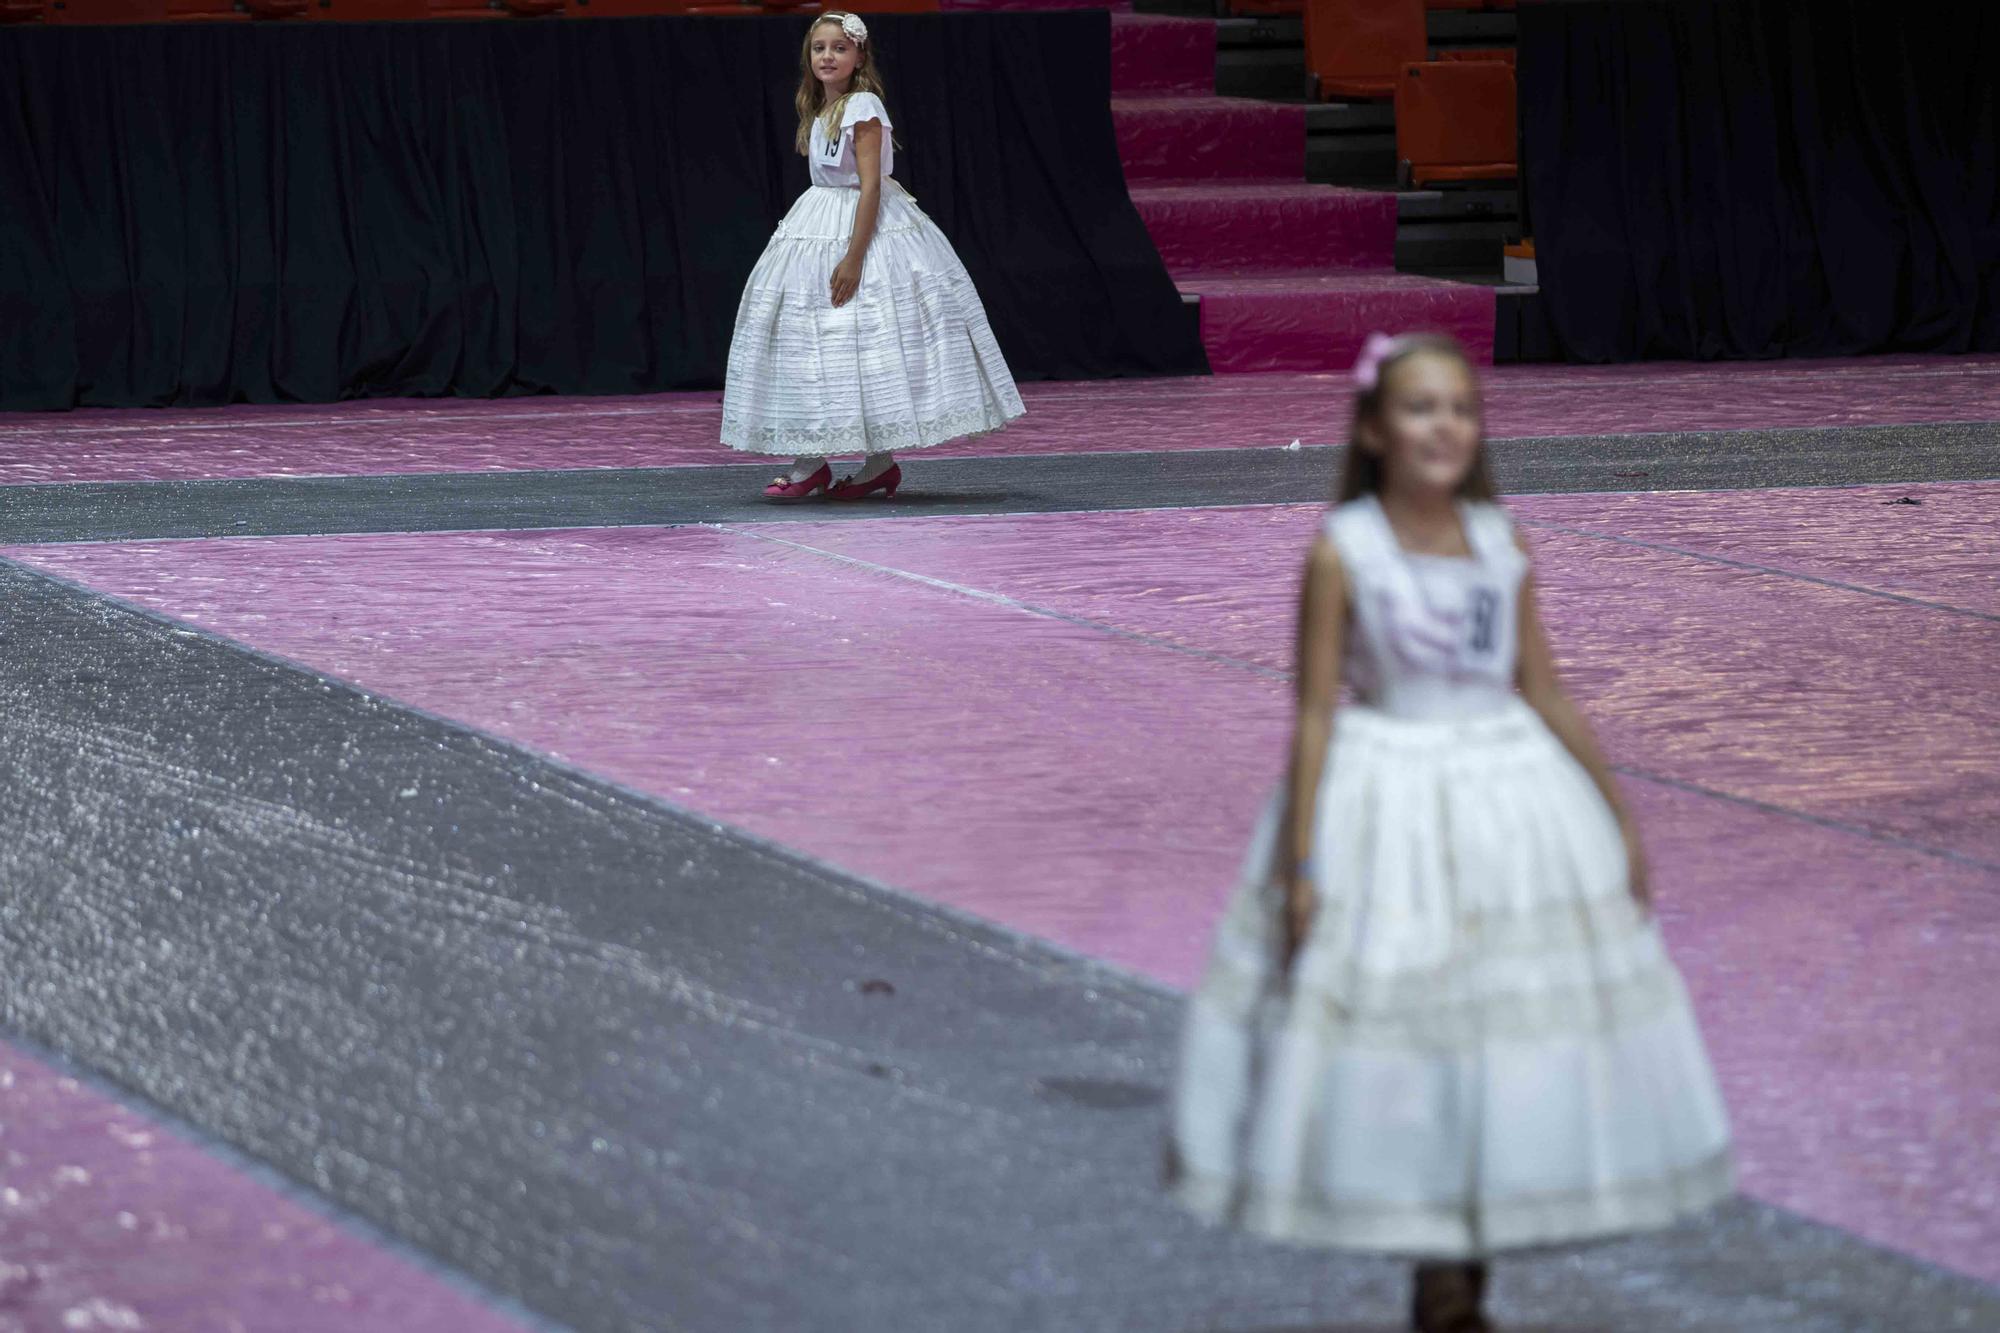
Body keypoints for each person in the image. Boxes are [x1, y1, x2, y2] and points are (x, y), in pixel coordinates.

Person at [1167, 333, 1734, 1333]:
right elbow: (1312, 713)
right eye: (1420, 408)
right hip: (1388, 797)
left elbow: (1541, 685)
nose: (1443, 427)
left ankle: (1466, 1261)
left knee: (1495, 1017)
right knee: (1411, 1022)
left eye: (1460, 409)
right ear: (1374, 430)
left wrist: (1613, 810)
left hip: (1507, 801)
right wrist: (1300, 863)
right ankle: (1434, 1263)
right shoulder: (1343, 547)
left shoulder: (1499, 542)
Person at [720, 11, 1024, 502]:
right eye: (819, 47)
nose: (827, 56)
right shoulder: (821, 107)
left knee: (865, 338)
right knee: (816, 344)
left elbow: (869, 187)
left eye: (839, 47)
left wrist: (853, 257)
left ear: (859, 56)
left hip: (860, 227)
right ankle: (815, 460)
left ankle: (874, 462)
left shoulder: (862, 105)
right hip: (815, 221)